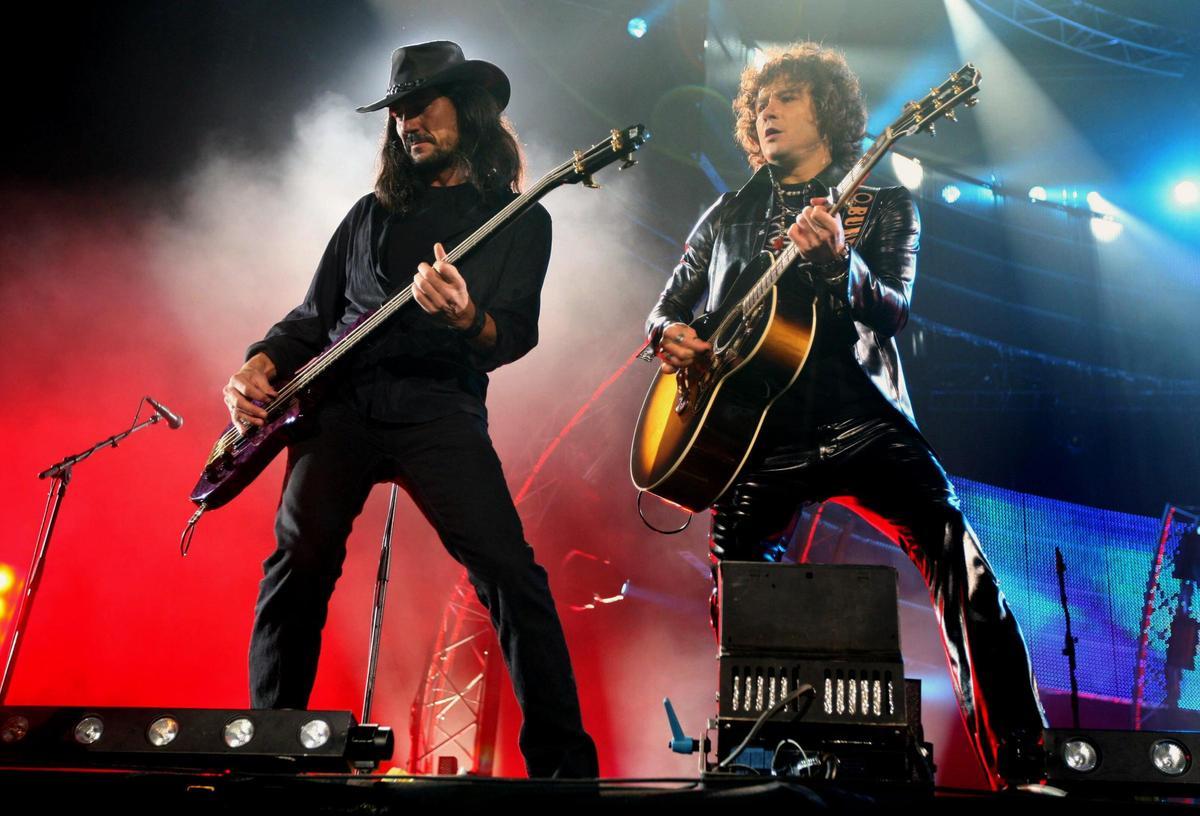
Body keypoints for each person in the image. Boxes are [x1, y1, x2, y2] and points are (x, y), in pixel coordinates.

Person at [644, 42, 1046, 788]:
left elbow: (893, 311)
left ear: (827, 112)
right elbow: (669, 303)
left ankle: (1024, 767)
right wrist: (664, 333)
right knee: (735, 596)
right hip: (759, 437)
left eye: (786, 99)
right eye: (759, 106)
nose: (767, 113)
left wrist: (840, 263)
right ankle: (758, 767)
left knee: (965, 571)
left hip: (863, 421)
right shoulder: (726, 214)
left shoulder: (884, 204)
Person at [222, 41, 598, 778]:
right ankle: (270, 748)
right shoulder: (368, 216)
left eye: (424, 104)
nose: (407, 122)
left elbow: (512, 333)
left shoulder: (520, 221)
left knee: (508, 573)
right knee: (297, 561)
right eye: (397, 110)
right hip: (342, 405)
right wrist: (260, 361)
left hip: (437, 405)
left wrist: (465, 319)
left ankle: (563, 771)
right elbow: (311, 319)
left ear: (471, 110)